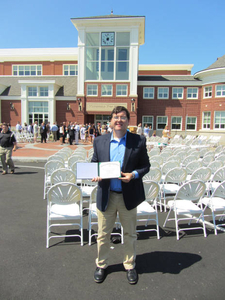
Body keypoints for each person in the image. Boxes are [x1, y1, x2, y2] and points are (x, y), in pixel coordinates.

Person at [91, 106, 150, 285]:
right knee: (103, 234)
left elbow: (146, 166)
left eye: (123, 117)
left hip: (128, 196)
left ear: (128, 121)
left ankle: (130, 265)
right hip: (106, 195)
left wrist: (134, 175)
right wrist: (96, 172)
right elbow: (94, 162)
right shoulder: (99, 141)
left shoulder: (138, 140)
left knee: (130, 234)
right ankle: (101, 265)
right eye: (116, 117)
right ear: (110, 121)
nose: (119, 120)